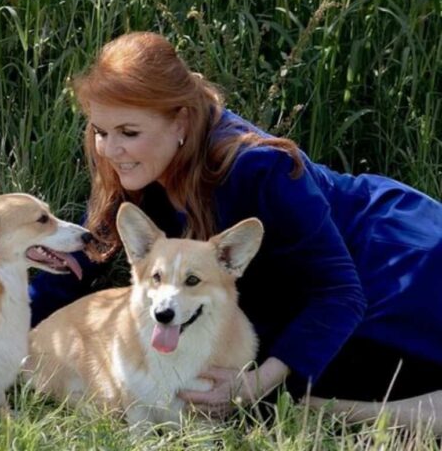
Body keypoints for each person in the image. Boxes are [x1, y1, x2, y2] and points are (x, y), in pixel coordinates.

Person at [28, 31, 442, 432]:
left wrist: (253, 386)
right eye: (100, 132)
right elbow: (85, 261)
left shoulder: (256, 167)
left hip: (393, 261)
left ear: (181, 121)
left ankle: (336, 410)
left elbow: (339, 293)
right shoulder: (133, 166)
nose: (109, 149)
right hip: (297, 288)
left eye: (128, 133)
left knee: (298, 377)